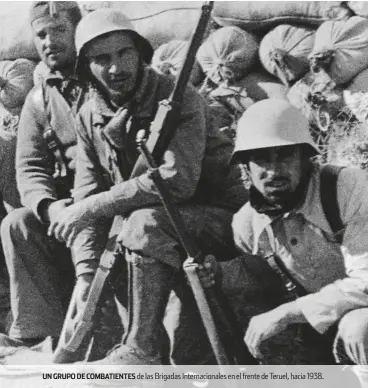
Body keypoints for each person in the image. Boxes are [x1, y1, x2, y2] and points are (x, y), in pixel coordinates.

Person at [48, 8, 248, 365]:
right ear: (86, 68)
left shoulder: (177, 96)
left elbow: (176, 182)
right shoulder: (89, 115)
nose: (116, 68)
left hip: (220, 223)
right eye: (102, 58)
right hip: (156, 231)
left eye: (125, 53)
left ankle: (142, 347)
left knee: (142, 222)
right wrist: (85, 274)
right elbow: (87, 197)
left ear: (141, 53)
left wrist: (92, 207)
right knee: (132, 226)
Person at [198, 98, 368, 365]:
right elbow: (263, 287)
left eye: (285, 155)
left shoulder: (348, 187)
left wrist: (288, 312)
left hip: (359, 318)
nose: (274, 170)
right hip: (326, 329)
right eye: (261, 159)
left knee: (360, 328)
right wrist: (217, 274)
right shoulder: (247, 226)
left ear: (304, 157)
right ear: (246, 166)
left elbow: (366, 283)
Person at [0, 1, 87, 351]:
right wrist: (50, 207)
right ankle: (39, 334)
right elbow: (30, 168)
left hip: (109, 203)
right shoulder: (39, 99)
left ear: (79, 32)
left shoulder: (111, 80)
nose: (49, 41)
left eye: (59, 30)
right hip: (66, 208)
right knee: (18, 224)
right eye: (41, 35)